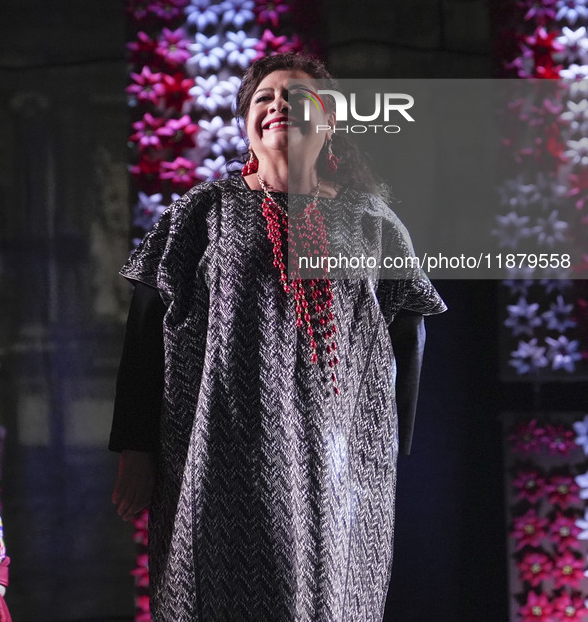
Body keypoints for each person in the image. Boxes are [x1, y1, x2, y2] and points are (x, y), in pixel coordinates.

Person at [110, 52, 446, 622]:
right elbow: (144, 336)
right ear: (246, 124)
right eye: (265, 97)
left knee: (329, 598)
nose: (278, 107)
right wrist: (135, 450)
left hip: (339, 461)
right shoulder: (200, 214)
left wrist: (387, 447)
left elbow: (407, 327)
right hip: (219, 453)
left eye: (297, 98)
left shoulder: (373, 221)